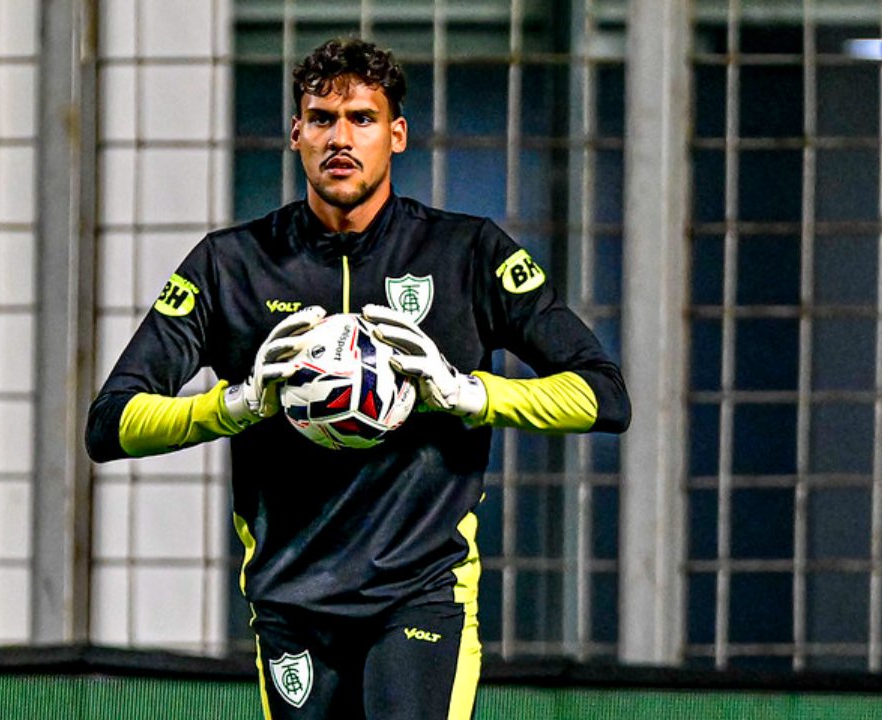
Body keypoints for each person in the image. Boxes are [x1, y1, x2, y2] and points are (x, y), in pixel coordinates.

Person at [86, 37, 630, 720]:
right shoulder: (231, 265)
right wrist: (238, 404)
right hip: (290, 599)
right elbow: (110, 425)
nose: (340, 138)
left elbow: (604, 395)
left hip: (419, 592)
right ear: (296, 134)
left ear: (396, 134)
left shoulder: (467, 252)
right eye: (321, 119)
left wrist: (466, 393)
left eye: (362, 119)